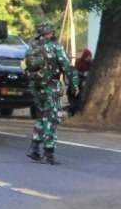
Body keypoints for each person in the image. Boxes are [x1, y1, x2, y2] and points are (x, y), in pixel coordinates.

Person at [24, 22, 80, 164]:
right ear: (50, 33)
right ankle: (49, 153)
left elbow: (25, 67)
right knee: (52, 119)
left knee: (42, 116)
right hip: (51, 87)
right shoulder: (56, 47)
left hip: (36, 87)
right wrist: (74, 84)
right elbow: (67, 67)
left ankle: (34, 148)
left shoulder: (32, 48)